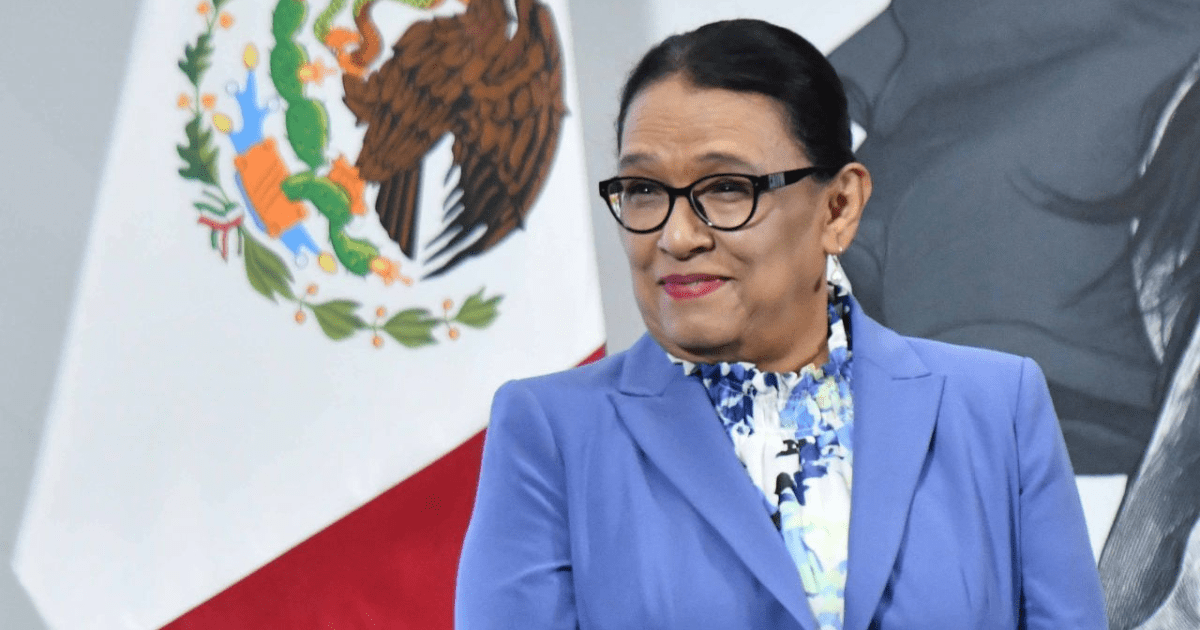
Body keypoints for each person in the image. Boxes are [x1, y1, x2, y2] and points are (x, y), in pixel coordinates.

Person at [455, 18, 1106, 630]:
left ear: (839, 207)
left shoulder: (997, 407)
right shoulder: (551, 432)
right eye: (644, 191)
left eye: (727, 188)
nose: (676, 237)